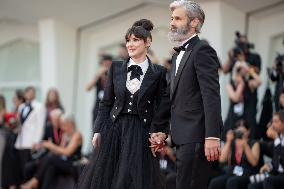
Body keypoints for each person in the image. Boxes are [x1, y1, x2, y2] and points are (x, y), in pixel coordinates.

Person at [77, 19, 168, 189]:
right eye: (128, 40)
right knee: (108, 179)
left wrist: (161, 132)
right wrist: (97, 130)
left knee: (131, 180)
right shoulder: (116, 67)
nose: (130, 44)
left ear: (147, 42)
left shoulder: (159, 72)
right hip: (114, 130)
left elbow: (162, 107)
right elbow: (106, 103)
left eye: (135, 40)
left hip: (141, 132)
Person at [150, 1, 223, 188]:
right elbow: (170, 97)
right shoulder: (177, 56)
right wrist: (160, 131)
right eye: (171, 18)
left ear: (194, 23)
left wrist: (212, 136)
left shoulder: (202, 50)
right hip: (181, 137)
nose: (172, 22)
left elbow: (211, 95)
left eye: (178, 18)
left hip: (197, 138)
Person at [20, 113, 82, 189]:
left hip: (73, 164)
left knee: (50, 157)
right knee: (50, 167)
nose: (62, 128)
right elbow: (60, 150)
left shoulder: (77, 135)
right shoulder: (66, 134)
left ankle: (35, 180)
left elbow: (67, 152)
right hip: (63, 162)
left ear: (70, 124)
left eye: (64, 125)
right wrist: (48, 147)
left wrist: (52, 146)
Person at [209, 120, 261, 189]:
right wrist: (228, 141)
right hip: (234, 172)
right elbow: (222, 159)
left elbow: (254, 163)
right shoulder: (232, 143)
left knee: (232, 182)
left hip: (248, 172)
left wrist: (245, 145)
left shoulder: (254, 143)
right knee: (214, 182)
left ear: (248, 131)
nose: (240, 131)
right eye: (237, 128)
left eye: (243, 129)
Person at [248, 111, 284, 189]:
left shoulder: (278, 139)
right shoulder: (279, 138)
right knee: (252, 185)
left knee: (268, 181)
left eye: (276, 121)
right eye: (272, 121)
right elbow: (277, 159)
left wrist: (276, 138)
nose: (272, 125)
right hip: (277, 174)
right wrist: (269, 165)